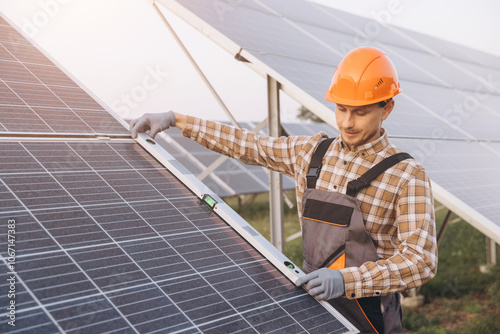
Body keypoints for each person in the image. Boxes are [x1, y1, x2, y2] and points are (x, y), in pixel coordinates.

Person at [129, 46, 438, 334]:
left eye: (360, 112)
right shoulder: (312, 152)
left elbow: (421, 261)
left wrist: (347, 280)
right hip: (312, 304)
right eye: (341, 109)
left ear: (387, 108)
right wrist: (177, 120)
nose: (347, 122)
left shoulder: (406, 175)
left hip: (370, 314)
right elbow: (249, 145)